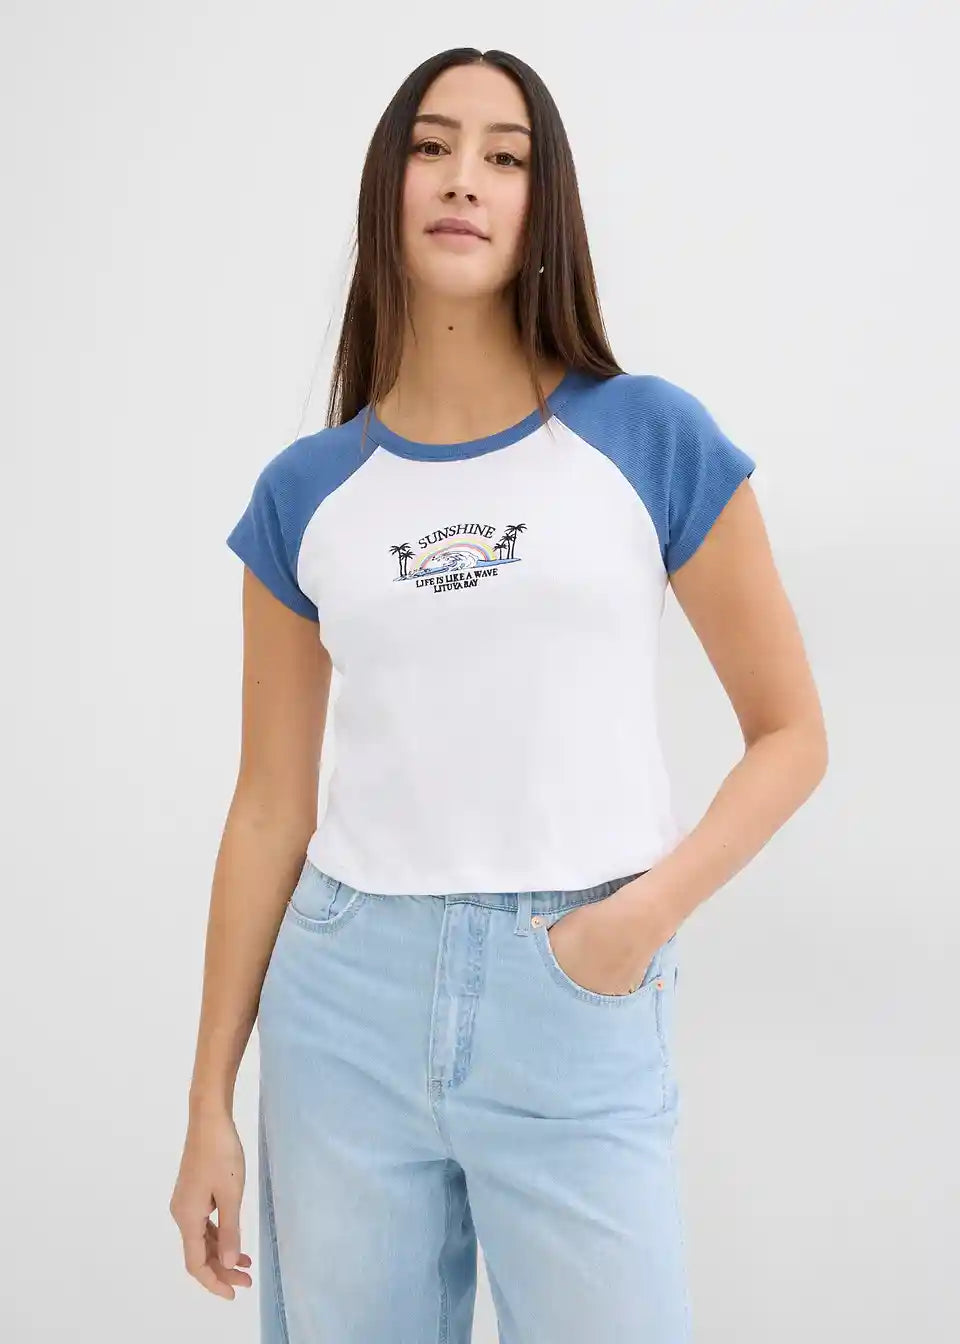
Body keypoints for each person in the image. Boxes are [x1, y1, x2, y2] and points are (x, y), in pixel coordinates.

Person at [169, 45, 828, 1344]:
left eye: (504, 155)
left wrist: (637, 921)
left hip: (576, 986)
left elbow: (792, 733)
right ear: (388, 185)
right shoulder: (306, 494)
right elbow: (267, 809)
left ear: (543, 202)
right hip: (343, 1002)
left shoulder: (646, 437)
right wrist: (208, 1108)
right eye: (432, 145)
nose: (464, 177)